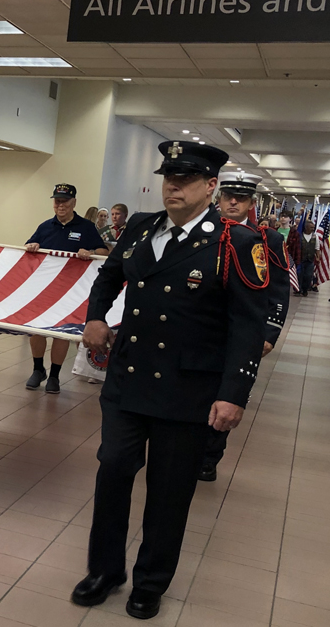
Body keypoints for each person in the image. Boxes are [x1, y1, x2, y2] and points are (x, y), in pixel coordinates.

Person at [72, 141, 268, 620]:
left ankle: (151, 581)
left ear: (210, 187)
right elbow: (108, 276)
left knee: (169, 489)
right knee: (113, 469)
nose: (173, 186)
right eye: (168, 178)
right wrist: (96, 317)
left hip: (187, 388)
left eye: (185, 180)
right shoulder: (141, 227)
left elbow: (248, 325)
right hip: (128, 379)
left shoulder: (235, 243)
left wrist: (233, 393)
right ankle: (105, 569)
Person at [198, 172, 290, 482]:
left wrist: (269, 333)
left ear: (251, 203)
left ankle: (209, 456)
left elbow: (277, 290)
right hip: (202, 330)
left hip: (240, 333)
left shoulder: (267, 240)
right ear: (219, 199)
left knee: (229, 392)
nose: (233, 201)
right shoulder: (202, 233)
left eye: (241, 197)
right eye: (228, 196)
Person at [25, 184, 107, 393]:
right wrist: (32, 246)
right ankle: (37, 369)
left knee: (61, 333)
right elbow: (28, 245)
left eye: (65, 202)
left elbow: (104, 251)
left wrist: (89, 251)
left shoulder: (86, 227)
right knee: (36, 330)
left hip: (69, 290)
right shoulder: (45, 226)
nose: (60, 206)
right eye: (57, 201)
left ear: (74, 203)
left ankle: (54, 375)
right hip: (42, 289)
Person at [300, 220, 318, 296]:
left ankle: (305, 289)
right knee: (300, 275)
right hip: (301, 259)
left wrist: (318, 257)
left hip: (310, 259)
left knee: (308, 275)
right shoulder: (300, 235)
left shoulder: (315, 236)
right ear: (306, 227)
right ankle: (299, 289)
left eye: (313, 227)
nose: (313, 229)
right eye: (311, 227)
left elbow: (317, 248)